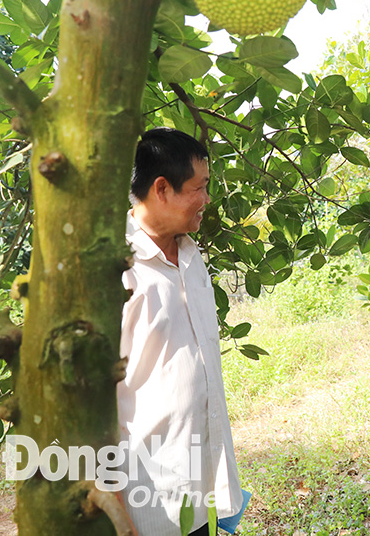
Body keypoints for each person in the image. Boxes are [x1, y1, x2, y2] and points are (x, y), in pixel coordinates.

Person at [118, 128, 245, 535]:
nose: (206, 200)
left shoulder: (190, 255)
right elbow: (95, 395)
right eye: (199, 188)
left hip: (204, 484)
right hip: (149, 495)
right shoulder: (117, 270)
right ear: (162, 188)